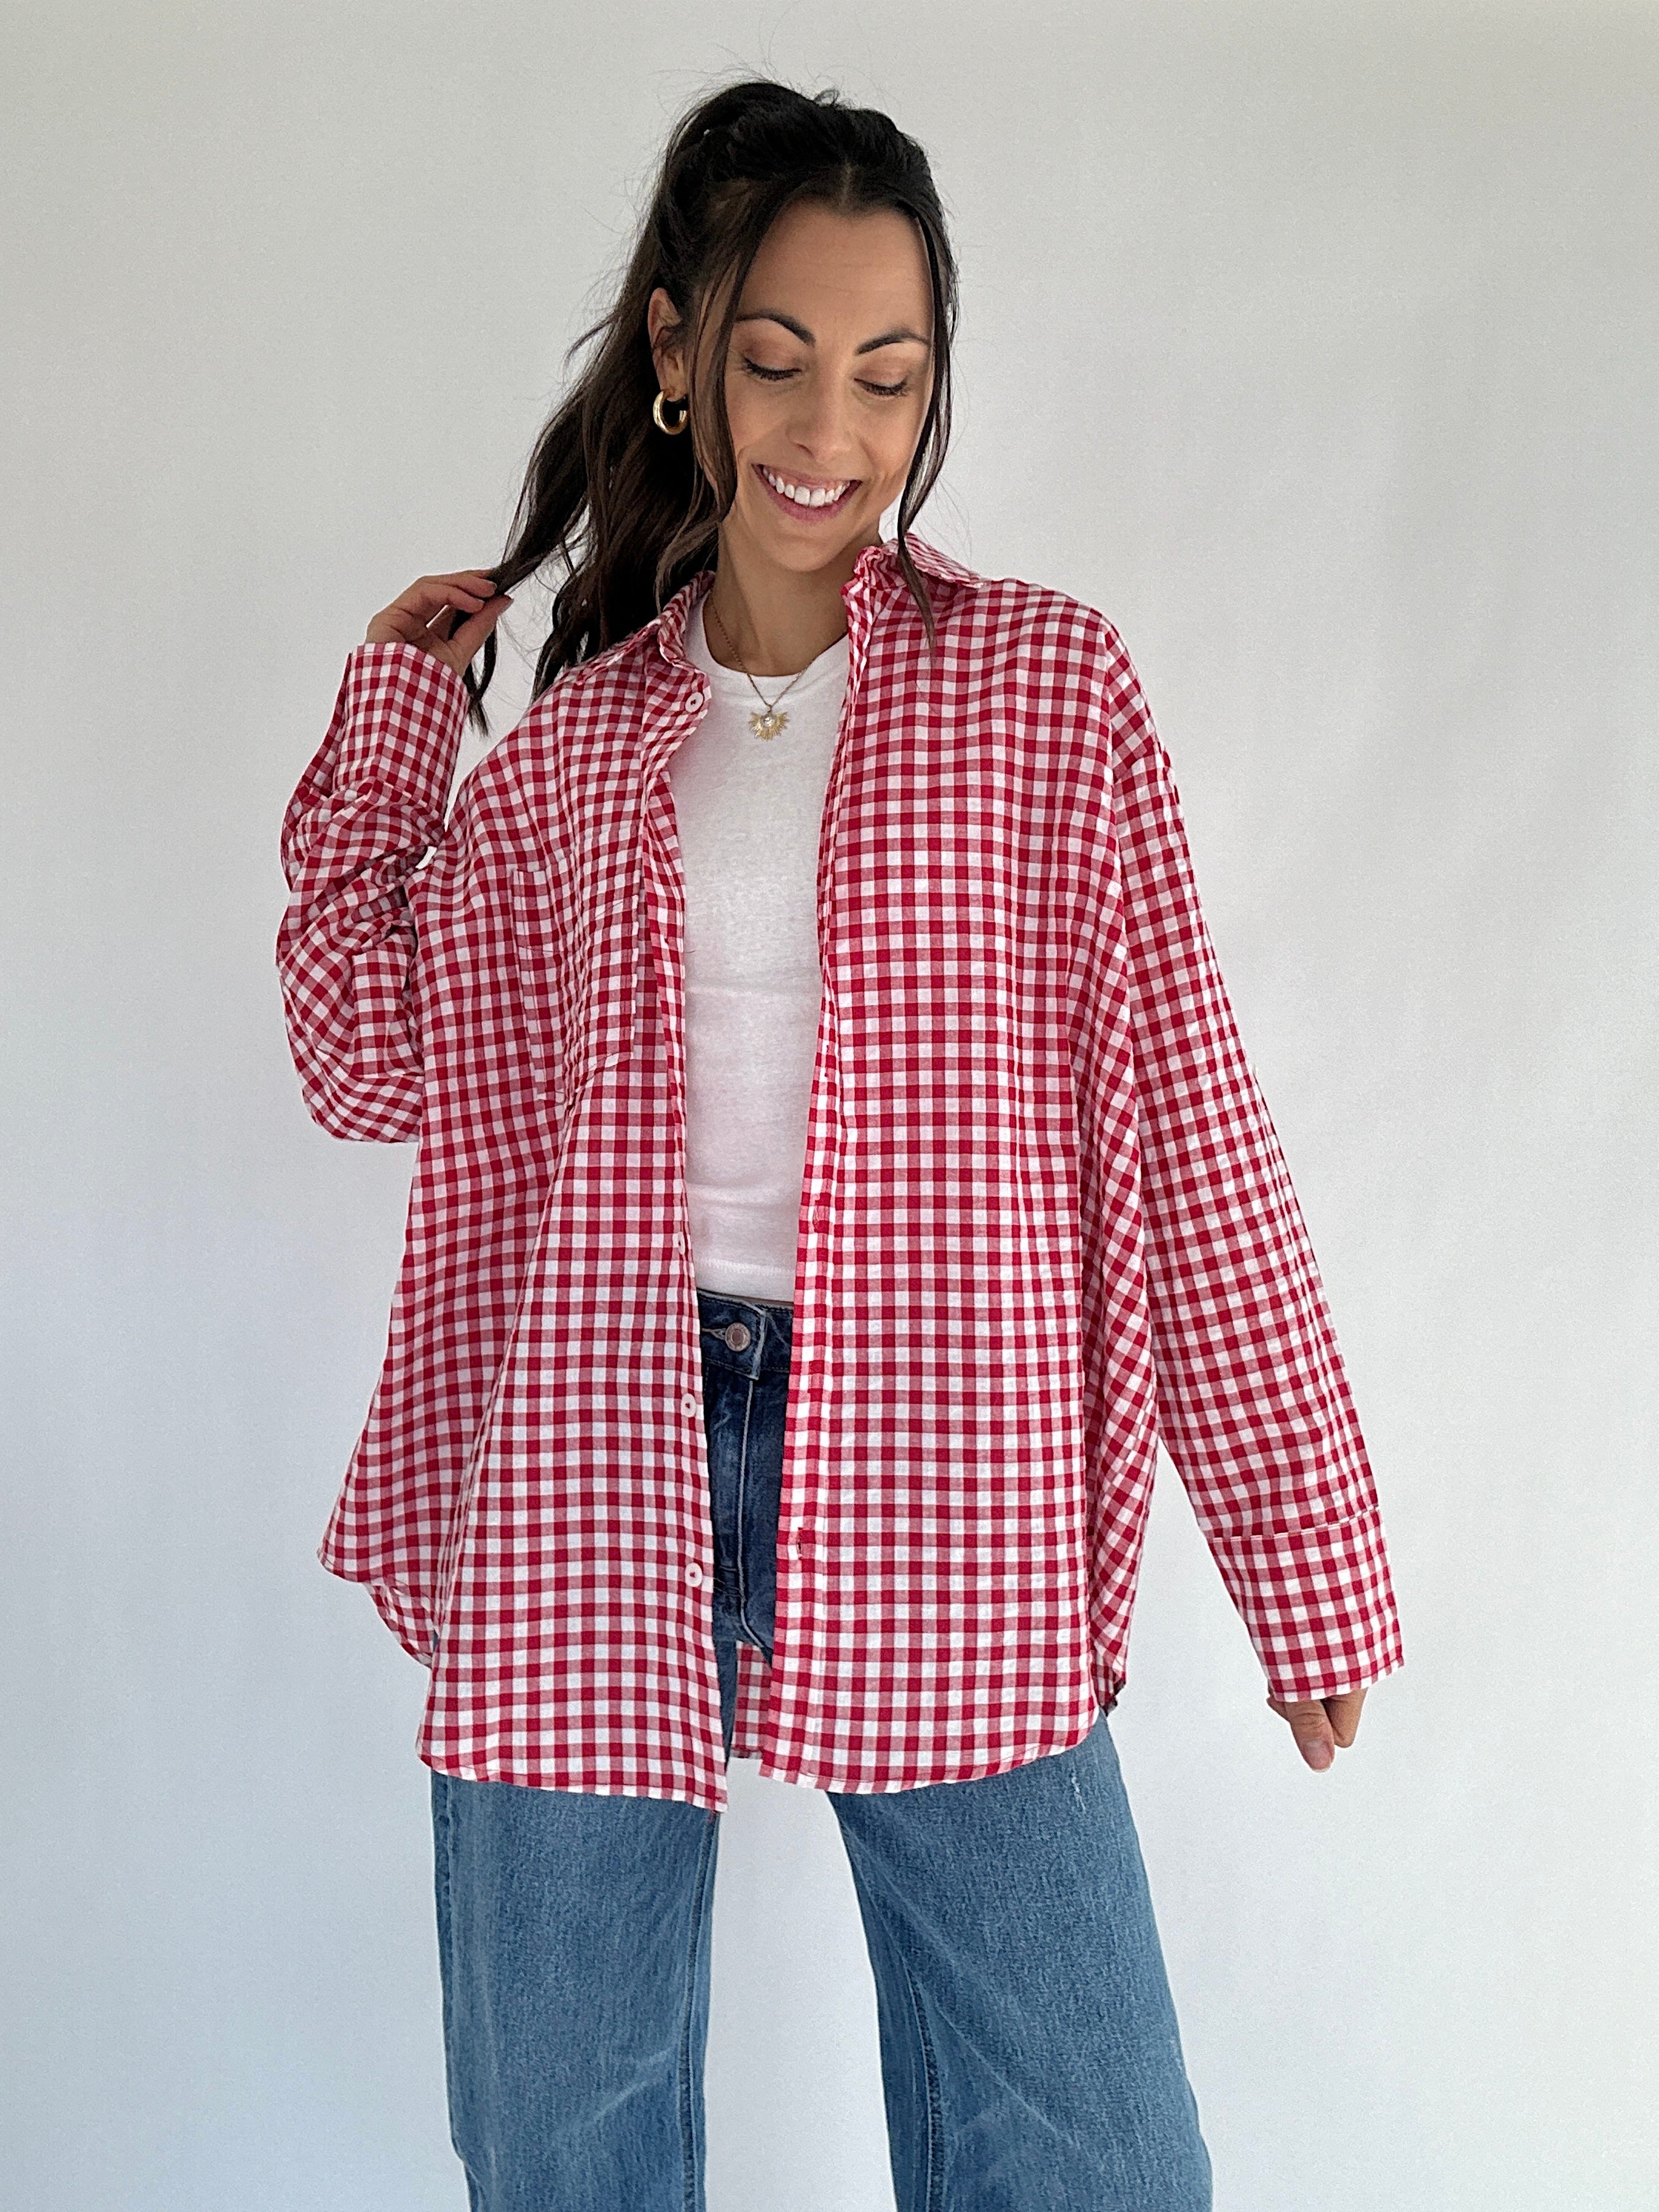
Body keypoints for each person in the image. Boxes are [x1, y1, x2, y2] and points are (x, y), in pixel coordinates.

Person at [277, 75, 1402, 2212]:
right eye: (780, 357)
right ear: (680, 352)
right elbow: (362, 1055)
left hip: (941, 1437)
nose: (831, 429)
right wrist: (396, 725)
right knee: (563, 2142)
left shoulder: (1041, 697)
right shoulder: (574, 757)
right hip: (592, 1441)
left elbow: (1190, 1124)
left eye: (889, 376)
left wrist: (1306, 1555)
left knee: (1093, 2148)